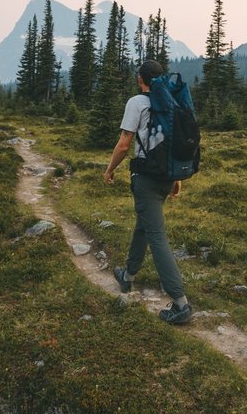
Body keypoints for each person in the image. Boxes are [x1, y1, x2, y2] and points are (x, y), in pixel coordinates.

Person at [103, 60, 192, 325]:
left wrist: (109, 170)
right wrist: (176, 178)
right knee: (144, 224)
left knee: (157, 236)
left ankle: (180, 303)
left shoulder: (137, 103)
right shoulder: (171, 103)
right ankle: (128, 276)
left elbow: (124, 143)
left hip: (146, 178)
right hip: (166, 177)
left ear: (140, 79)